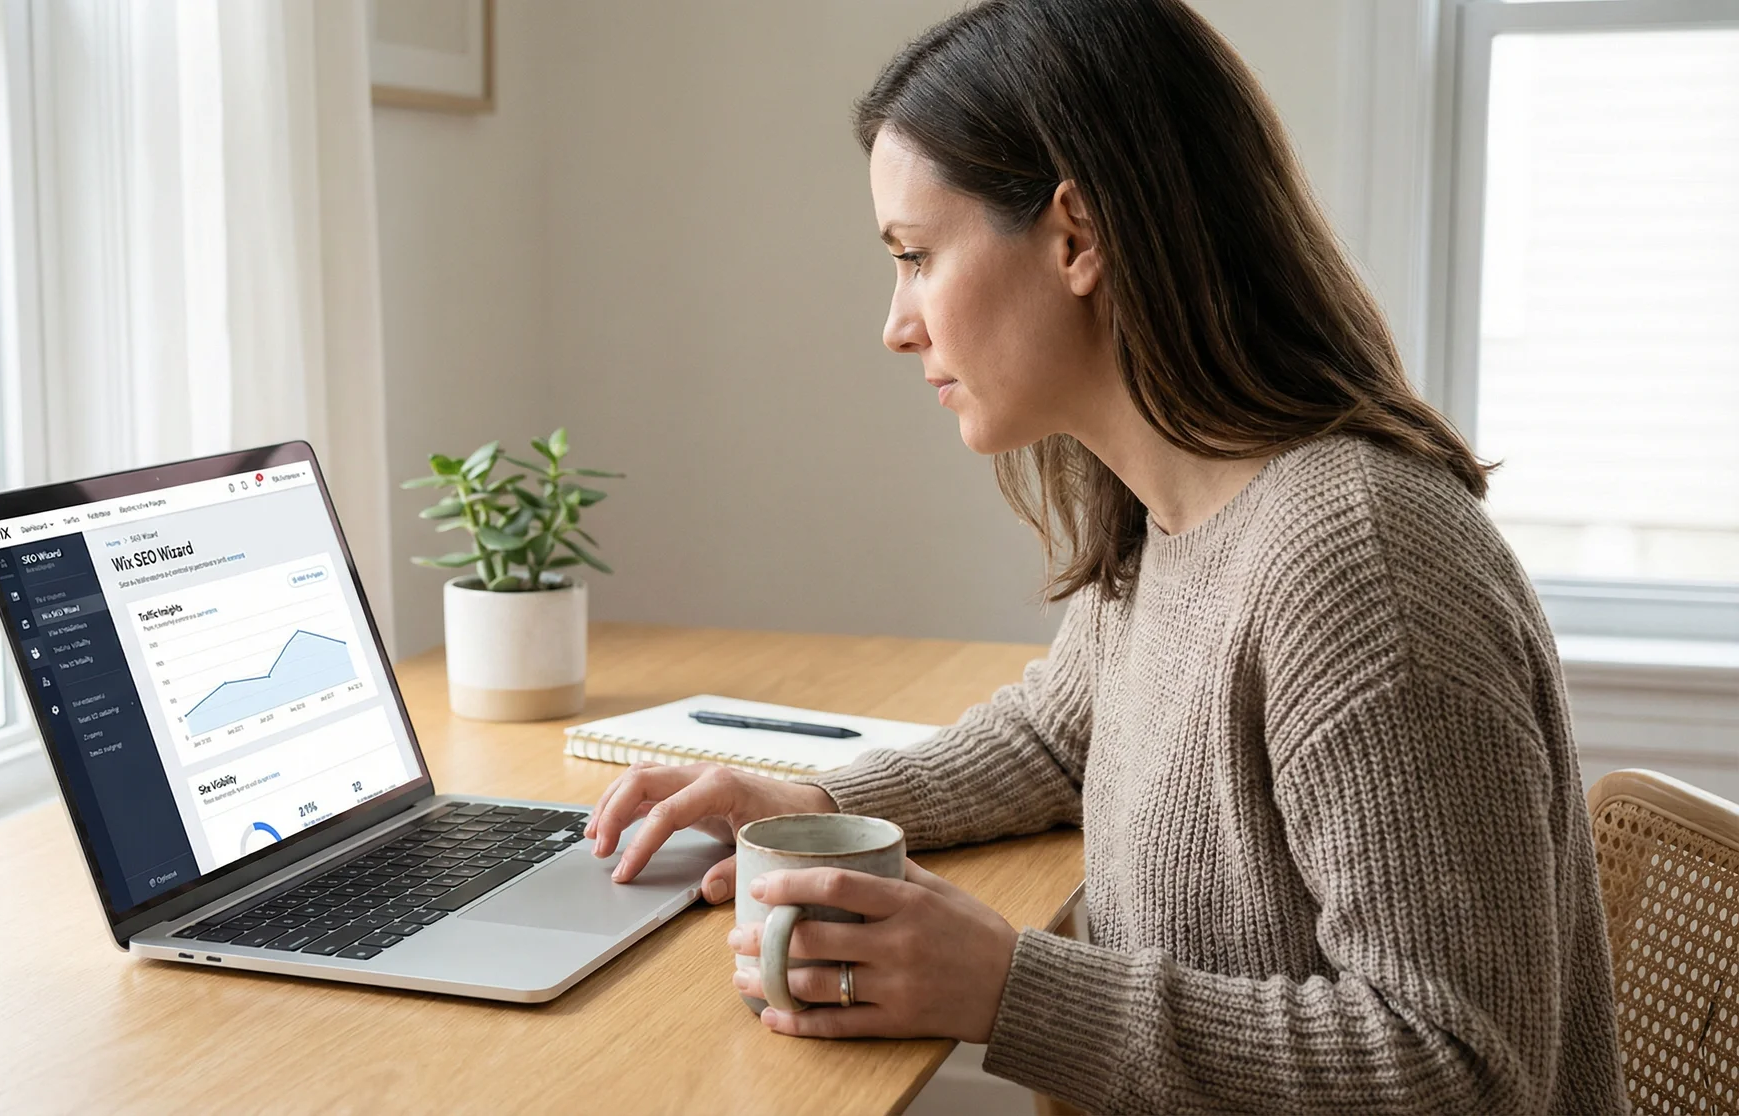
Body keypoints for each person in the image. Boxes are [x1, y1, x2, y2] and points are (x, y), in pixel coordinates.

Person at [584, 0, 1628, 1110]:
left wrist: (1008, 986)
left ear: (1075, 235)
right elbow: (1055, 734)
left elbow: (1457, 1067)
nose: (896, 323)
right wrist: (799, 800)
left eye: (915, 255)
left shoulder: (1355, 561)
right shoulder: (1176, 502)